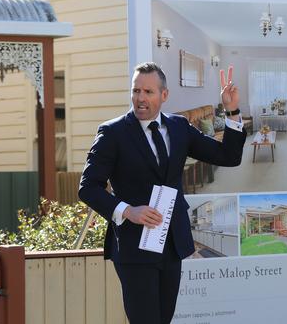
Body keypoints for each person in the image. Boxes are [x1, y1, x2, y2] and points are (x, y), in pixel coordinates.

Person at [78, 62, 246, 323]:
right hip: (134, 247)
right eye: (136, 91)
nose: (140, 98)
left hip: (171, 245)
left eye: (148, 92)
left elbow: (229, 156)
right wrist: (128, 211)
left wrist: (232, 110)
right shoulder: (112, 133)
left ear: (164, 95)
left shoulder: (179, 127)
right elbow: (88, 187)